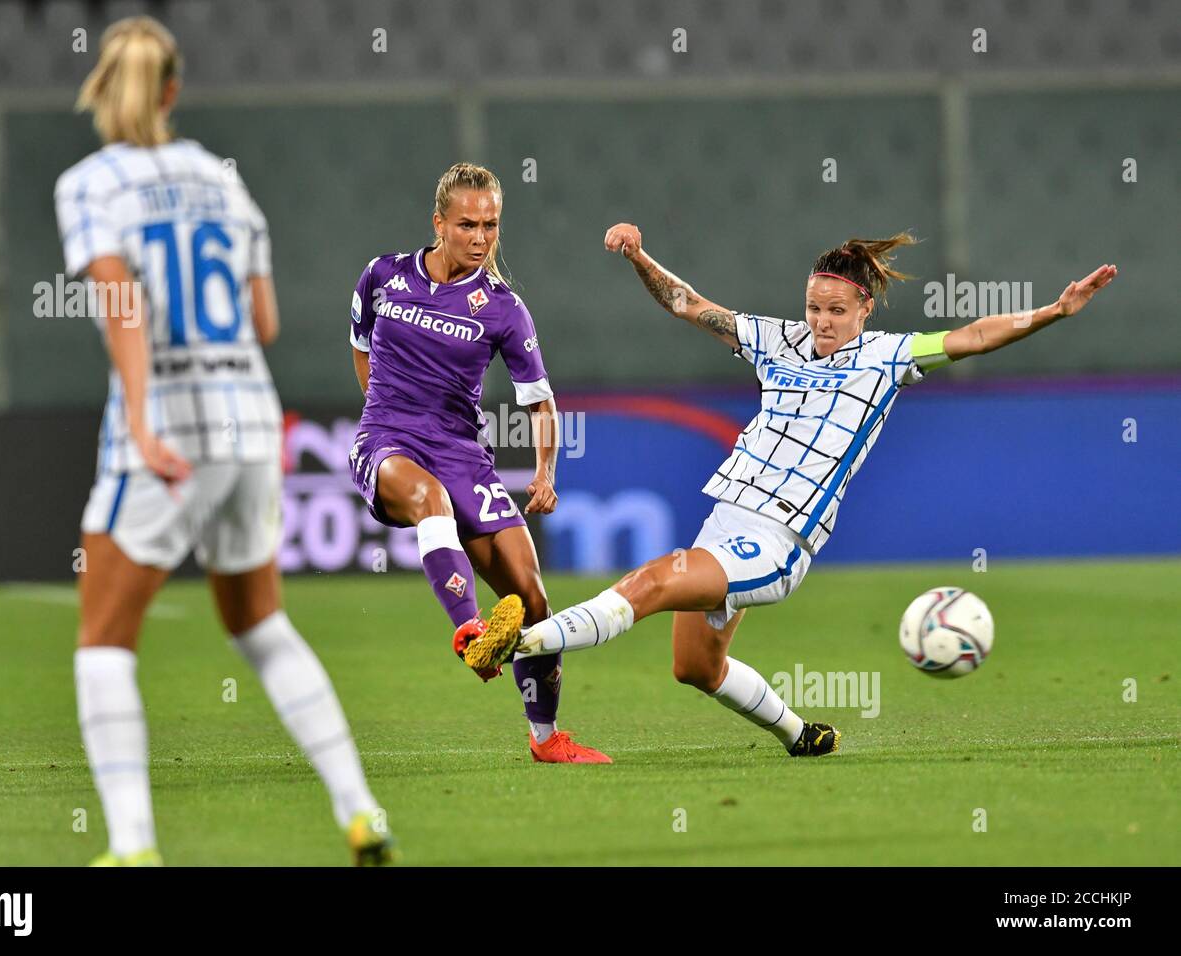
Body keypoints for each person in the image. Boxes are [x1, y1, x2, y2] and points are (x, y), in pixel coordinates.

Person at [464, 220, 1117, 757]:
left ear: (865, 307)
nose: (822, 321)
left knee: (654, 582)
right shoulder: (777, 342)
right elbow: (690, 304)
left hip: (776, 541)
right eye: (813, 307)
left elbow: (972, 335)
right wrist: (639, 256)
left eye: (837, 310)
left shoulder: (887, 358)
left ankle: (517, 643)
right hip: (726, 518)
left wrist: (1056, 311)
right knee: (696, 668)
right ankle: (800, 735)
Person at [55, 16, 393, 864]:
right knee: (260, 624)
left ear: (104, 87)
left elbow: (123, 305)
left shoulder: (90, 184)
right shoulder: (223, 180)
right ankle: (360, 813)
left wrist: (137, 416)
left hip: (168, 426)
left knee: (102, 642)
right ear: (173, 91)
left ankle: (132, 847)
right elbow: (265, 321)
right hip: (250, 417)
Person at [348, 162, 610, 763]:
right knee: (429, 502)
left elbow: (541, 400)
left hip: (462, 452)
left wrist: (545, 473)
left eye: (491, 225)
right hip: (387, 439)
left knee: (536, 601)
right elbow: (361, 346)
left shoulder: (502, 308)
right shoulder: (382, 277)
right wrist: (382, 415)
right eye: (467, 224)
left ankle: (545, 739)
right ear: (437, 222)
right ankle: (470, 631)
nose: (480, 238)